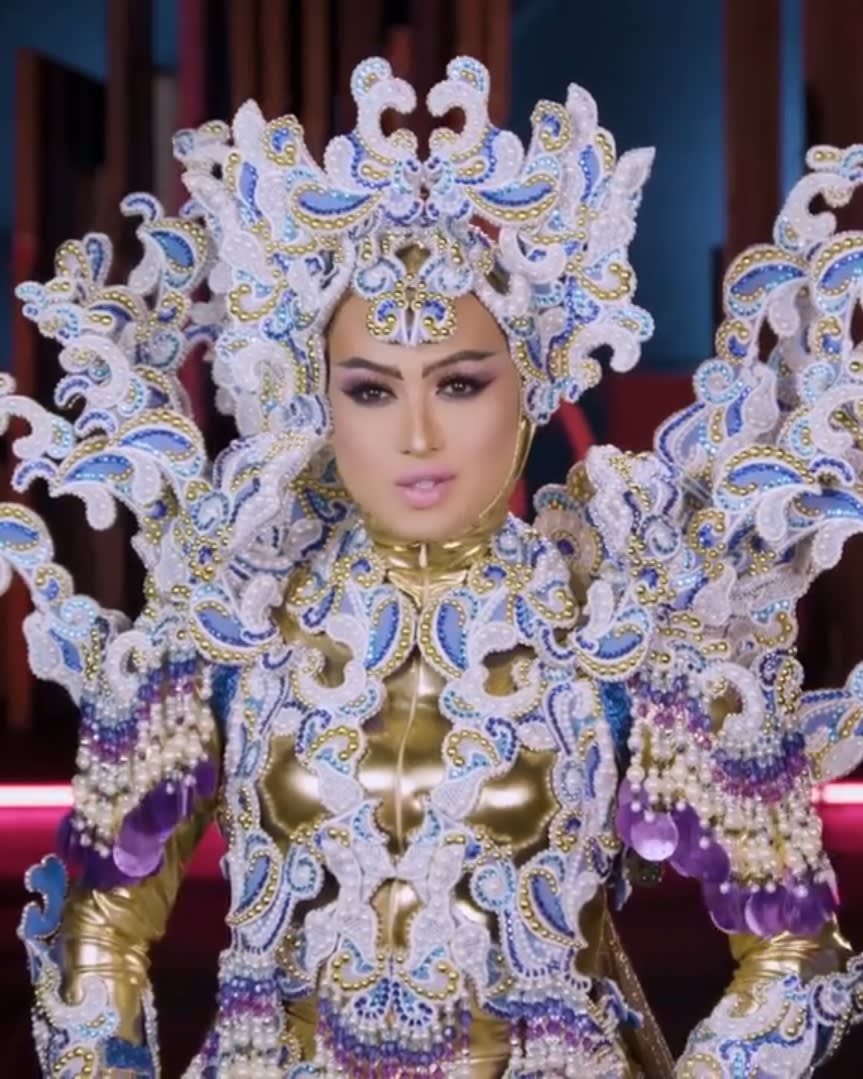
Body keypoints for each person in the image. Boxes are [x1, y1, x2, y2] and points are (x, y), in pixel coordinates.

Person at [5, 56, 863, 1078]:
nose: (416, 434)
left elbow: (797, 957)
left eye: (458, 383)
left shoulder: (622, 630)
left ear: (530, 382)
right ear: (317, 397)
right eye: (371, 390)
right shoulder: (229, 628)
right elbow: (97, 925)